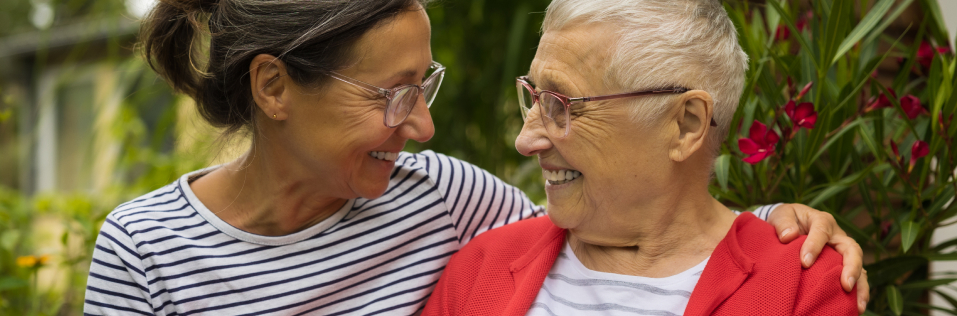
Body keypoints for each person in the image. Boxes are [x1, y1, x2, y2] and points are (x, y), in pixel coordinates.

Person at [83, 0, 867, 315]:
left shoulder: (444, 200)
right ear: (275, 88)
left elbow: (648, 222)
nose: (423, 127)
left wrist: (774, 230)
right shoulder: (146, 250)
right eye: (392, 94)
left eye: (423, 86)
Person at [422, 0, 861, 315]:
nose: (526, 140)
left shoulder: (804, 289)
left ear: (686, 125)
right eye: (534, 97)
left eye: (561, 104)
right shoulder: (481, 268)